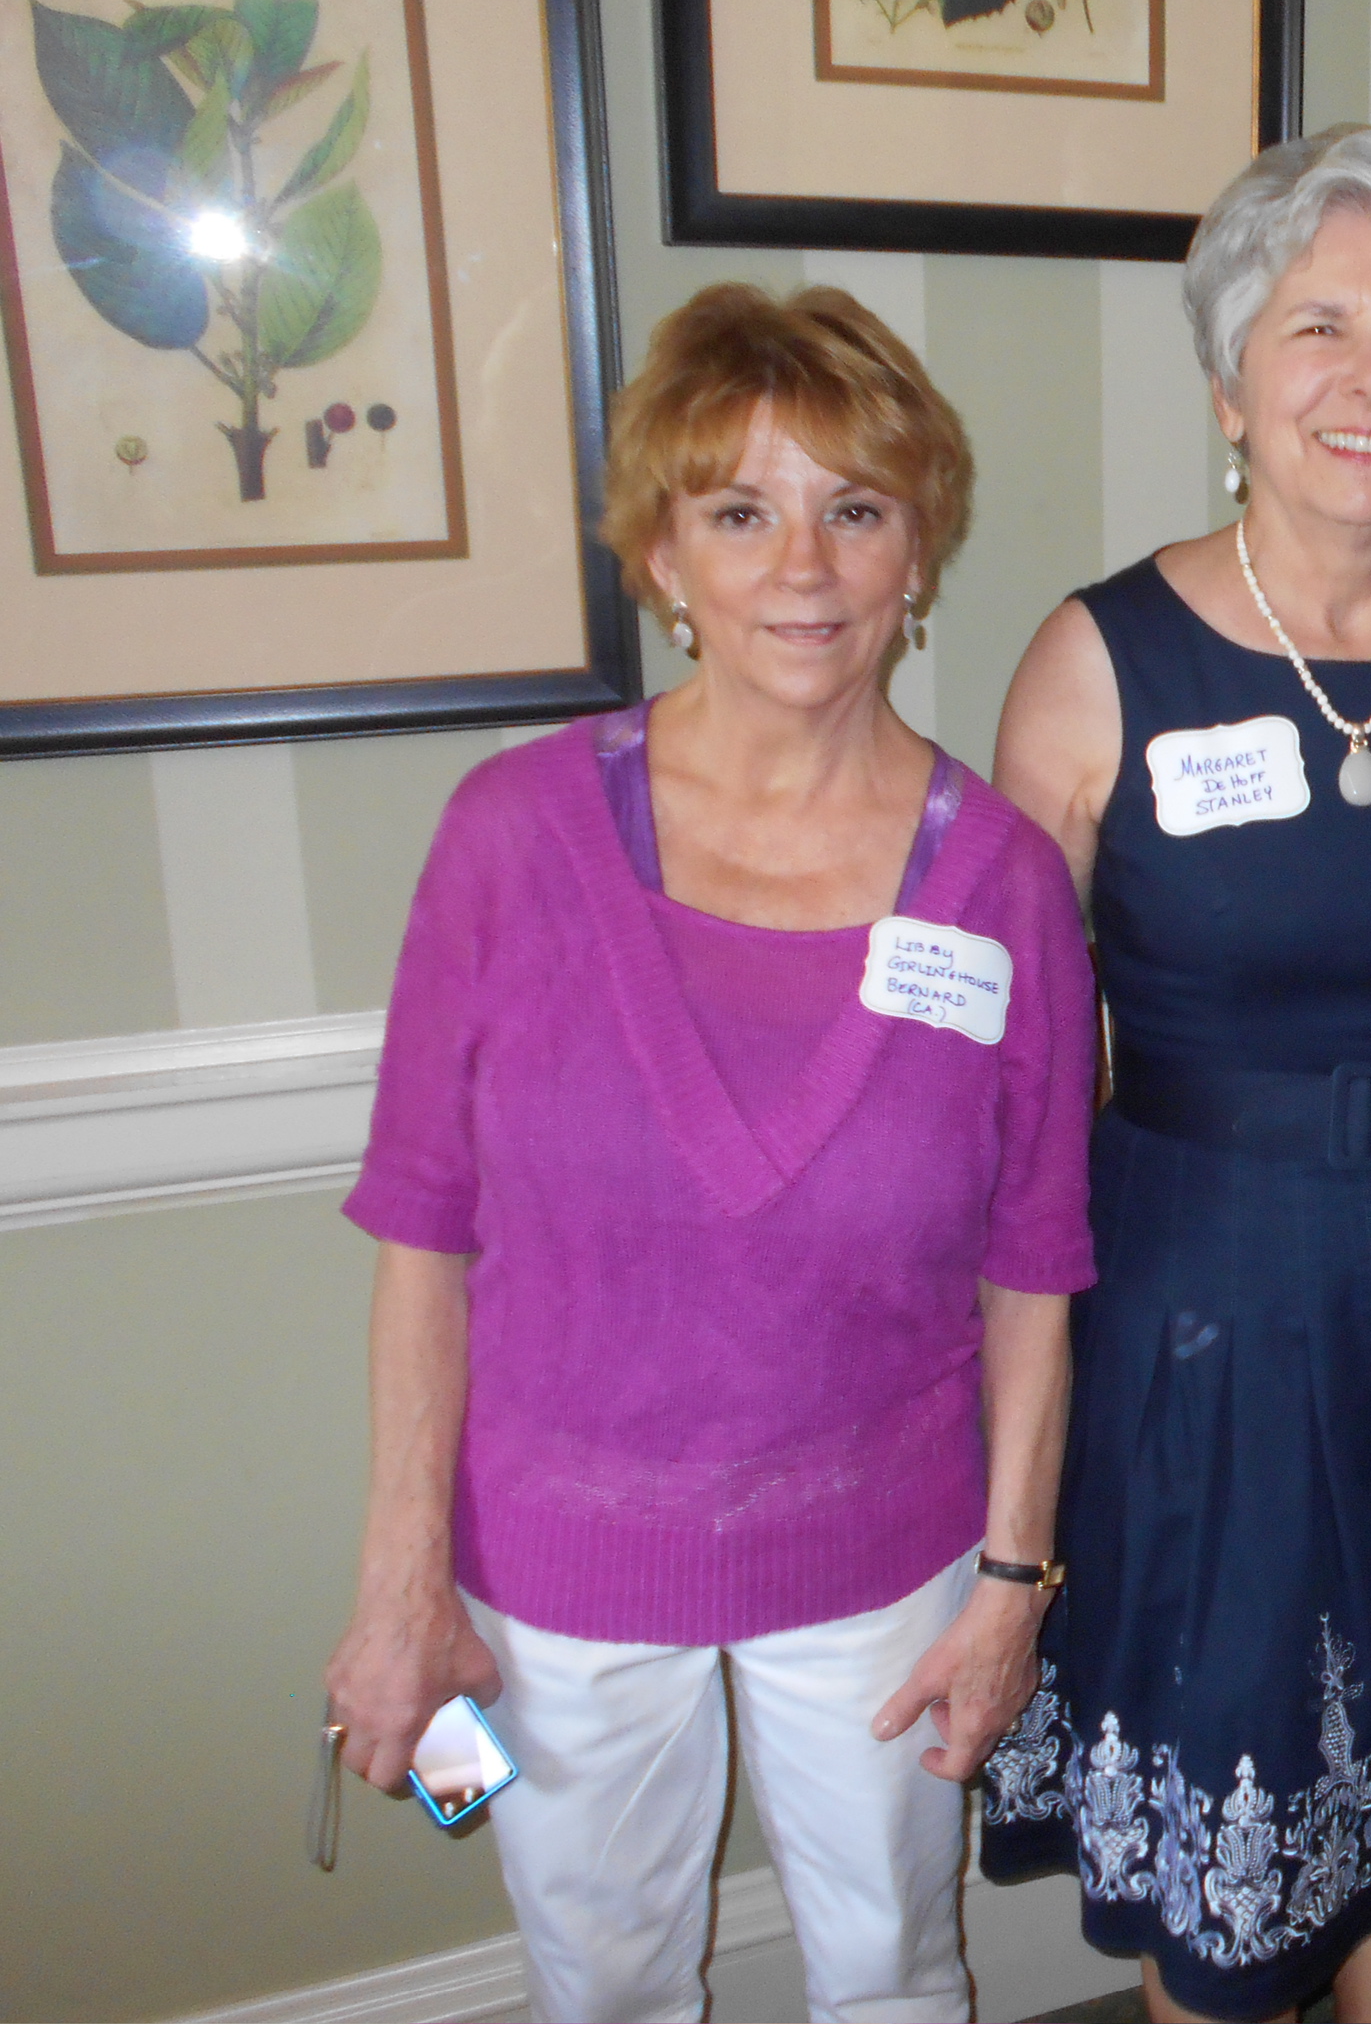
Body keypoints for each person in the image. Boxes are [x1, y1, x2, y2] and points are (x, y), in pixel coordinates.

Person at [325, 285, 1097, 2023]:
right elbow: (422, 1234)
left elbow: (1037, 1261)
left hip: (885, 1555)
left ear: (919, 552)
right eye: (739, 511)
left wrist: (1010, 1585)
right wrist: (399, 1583)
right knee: (598, 1979)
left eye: (856, 508)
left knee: (895, 1968)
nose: (801, 567)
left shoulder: (1000, 884)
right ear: (663, 557)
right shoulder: (509, 839)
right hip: (556, 1571)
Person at [979, 126, 1371, 2024]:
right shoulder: (1098, 661)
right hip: (1196, 1306)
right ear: (1232, 377)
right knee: (1232, 1829)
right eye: (1317, 324)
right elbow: (1002, 1089)